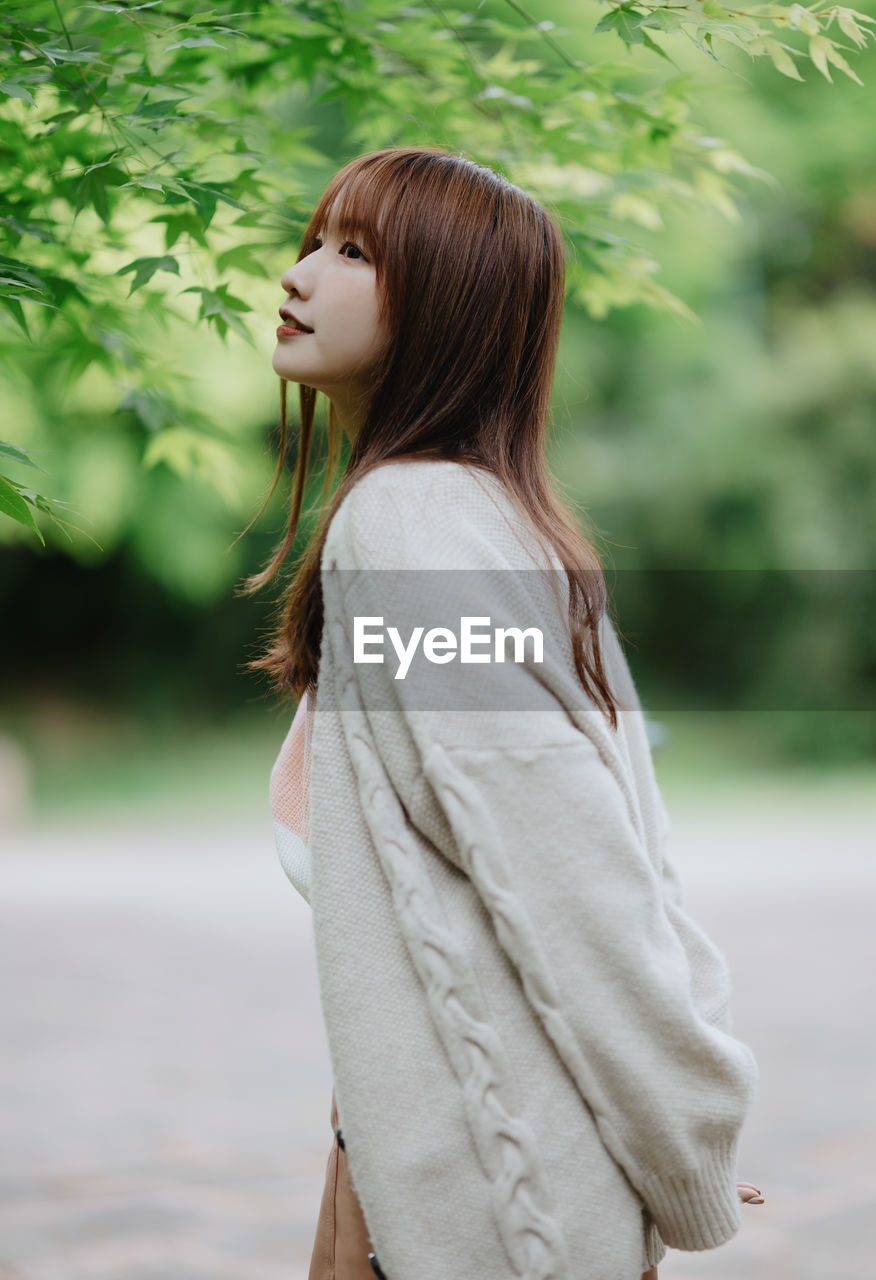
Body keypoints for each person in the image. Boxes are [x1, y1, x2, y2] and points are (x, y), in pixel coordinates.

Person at [252, 146, 764, 1280]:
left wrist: (687, 1135)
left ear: (449, 308)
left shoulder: (411, 526)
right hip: (445, 1169)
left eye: (354, 253)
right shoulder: (503, 529)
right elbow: (640, 862)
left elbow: (588, 881)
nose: (298, 276)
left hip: (499, 1205)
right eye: (314, 241)